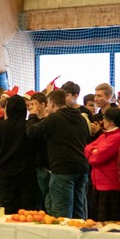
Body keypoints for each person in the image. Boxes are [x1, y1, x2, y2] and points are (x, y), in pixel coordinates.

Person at [27, 89, 90, 218]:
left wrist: (32, 115)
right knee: (79, 211)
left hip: (63, 169)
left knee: (61, 213)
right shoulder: (81, 118)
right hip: (82, 168)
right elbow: (87, 140)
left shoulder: (55, 118)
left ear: (52, 103)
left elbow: (32, 131)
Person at [0, 95, 42, 214]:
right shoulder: (29, 127)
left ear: (8, 109)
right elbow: (39, 149)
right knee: (27, 213)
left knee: (6, 213)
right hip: (28, 177)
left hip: (5, 176)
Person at [85, 106, 120, 221]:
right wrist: (93, 151)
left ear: (111, 121)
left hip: (110, 185)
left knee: (109, 220)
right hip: (99, 184)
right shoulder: (105, 135)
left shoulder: (117, 137)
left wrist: (94, 151)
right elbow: (87, 148)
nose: (102, 121)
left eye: (105, 118)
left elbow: (97, 158)